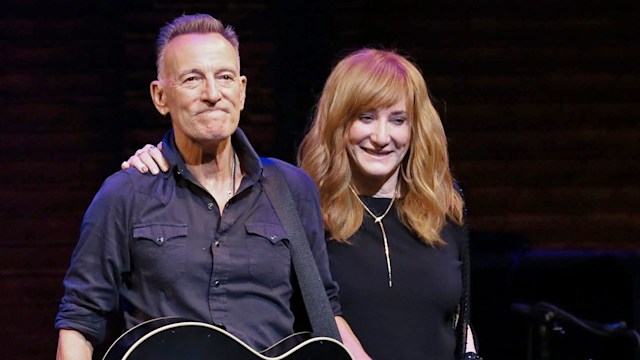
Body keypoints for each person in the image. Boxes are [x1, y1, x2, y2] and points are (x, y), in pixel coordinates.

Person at [123, 49, 482, 359]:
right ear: (339, 123)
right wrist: (160, 156)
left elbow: (456, 320)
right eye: (366, 118)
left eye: (398, 120)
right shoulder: (297, 204)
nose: (381, 137)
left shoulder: (443, 210)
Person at [55, 14, 369, 360]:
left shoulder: (293, 190)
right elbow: (79, 321)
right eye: (192, 79)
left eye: (225, 77)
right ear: (160, 97)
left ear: (243, 91)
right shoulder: (125, 194)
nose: (213, 94)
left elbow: (324, 309)